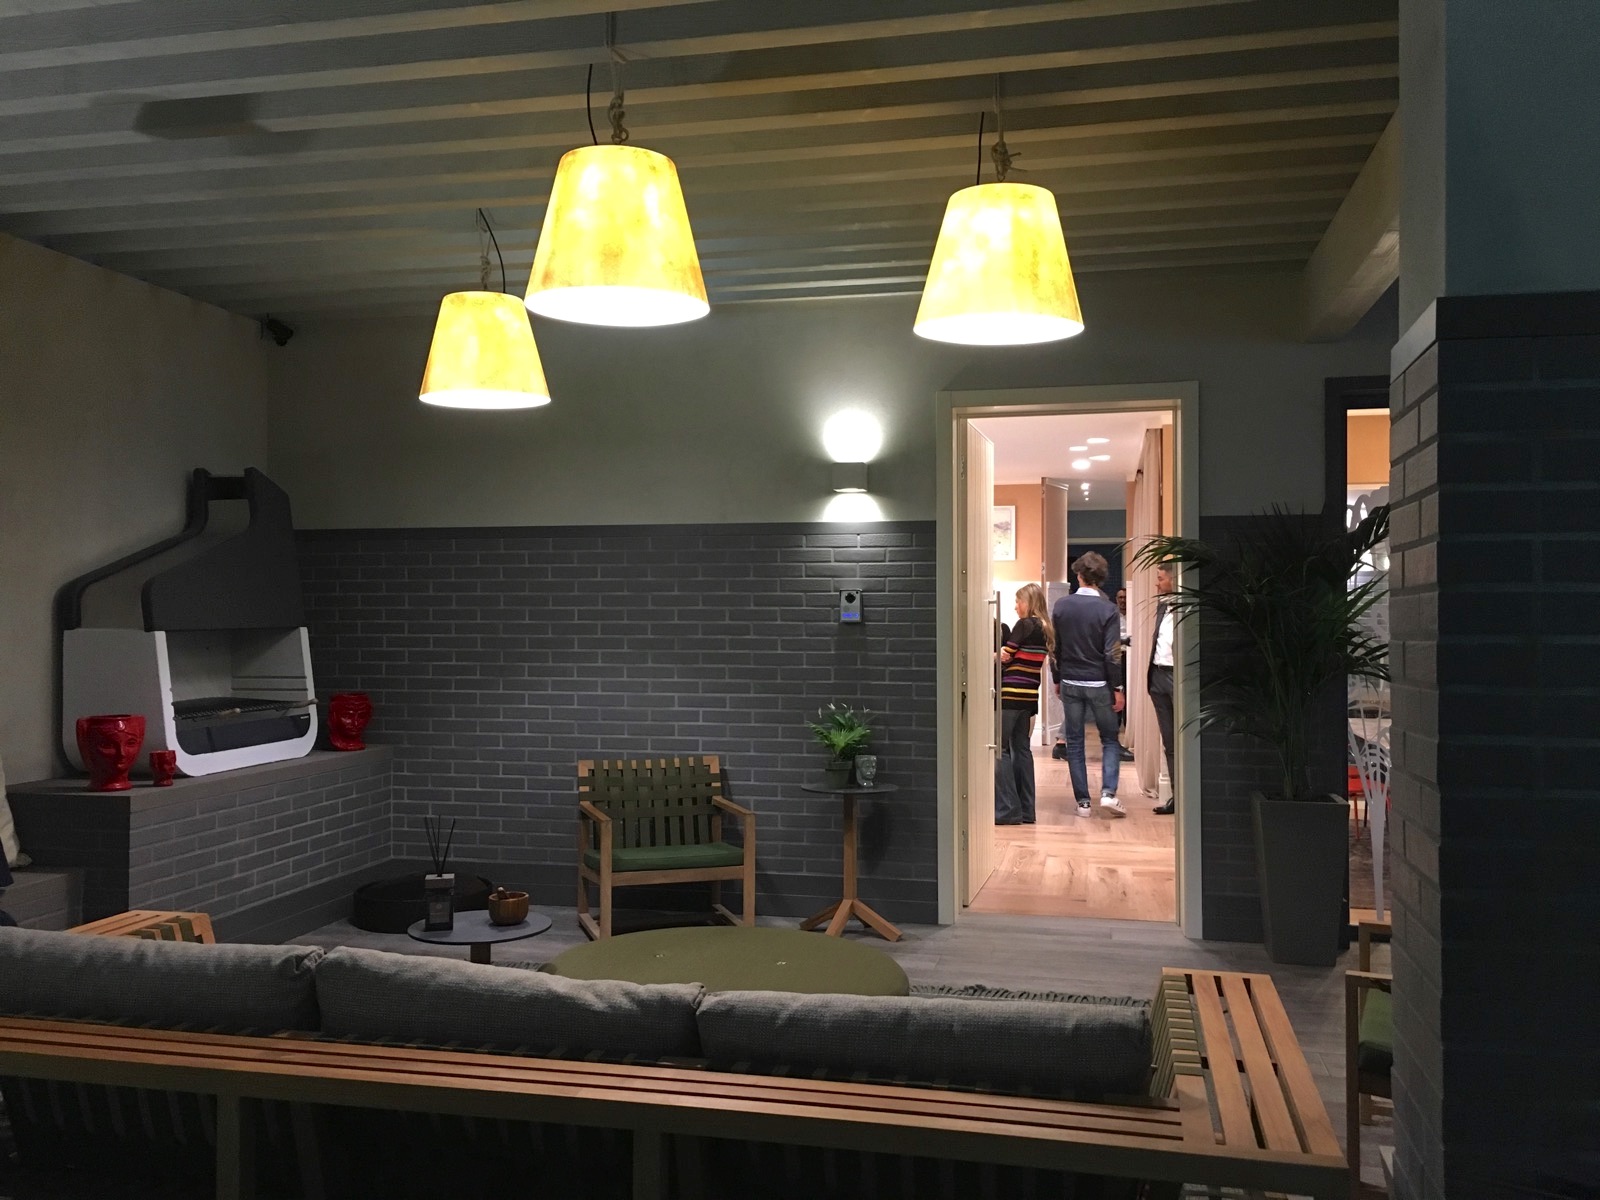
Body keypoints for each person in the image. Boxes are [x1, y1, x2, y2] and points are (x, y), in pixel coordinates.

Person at [1050, 552, 1125, 817]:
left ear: (1079, 575)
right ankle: (1108, 794)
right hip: (1099, 682)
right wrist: (1117, 688)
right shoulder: (1108, 609)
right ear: (1101, 578)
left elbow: (1054, 647)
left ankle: (1083, 802)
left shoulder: (1061, 606)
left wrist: (1057, 678)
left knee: (1074, 741)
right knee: (1110, 739)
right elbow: (1112, 654)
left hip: (1070, 680)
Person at [995, 583, 1053, 825]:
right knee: (1022, 750)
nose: (1016, 607)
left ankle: (1008, 809)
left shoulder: (1024, 625)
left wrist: (993, 653)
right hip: (1029, 697)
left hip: (1010, 694)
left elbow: (1005, 655)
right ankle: (1027, 810)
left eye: (1018, 602)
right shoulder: (1046, 628)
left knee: (999, 749)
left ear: (1028, 603)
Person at [1149, 562, 1180, 814]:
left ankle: (1187, 800)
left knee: (1183, 740)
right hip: (1157, 675)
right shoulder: (1162, 606)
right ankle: (1176, 797)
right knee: (1169, 741)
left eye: (1160, 578)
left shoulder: (1188, 607)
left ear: (1173, 578)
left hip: (1177, 676)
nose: (1157, 583)